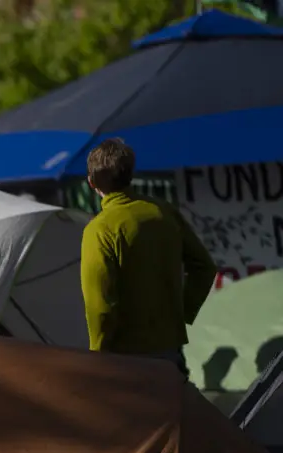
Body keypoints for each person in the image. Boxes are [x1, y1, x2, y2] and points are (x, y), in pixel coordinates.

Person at [80, 138, 218, 376]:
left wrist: (97, 357)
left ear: (91, 183)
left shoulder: (100, 229)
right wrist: (182, 313)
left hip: (127, 358)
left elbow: (100, 305)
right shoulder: (163, 211)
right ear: (130, 174)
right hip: (169, 349)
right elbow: (204, 267)